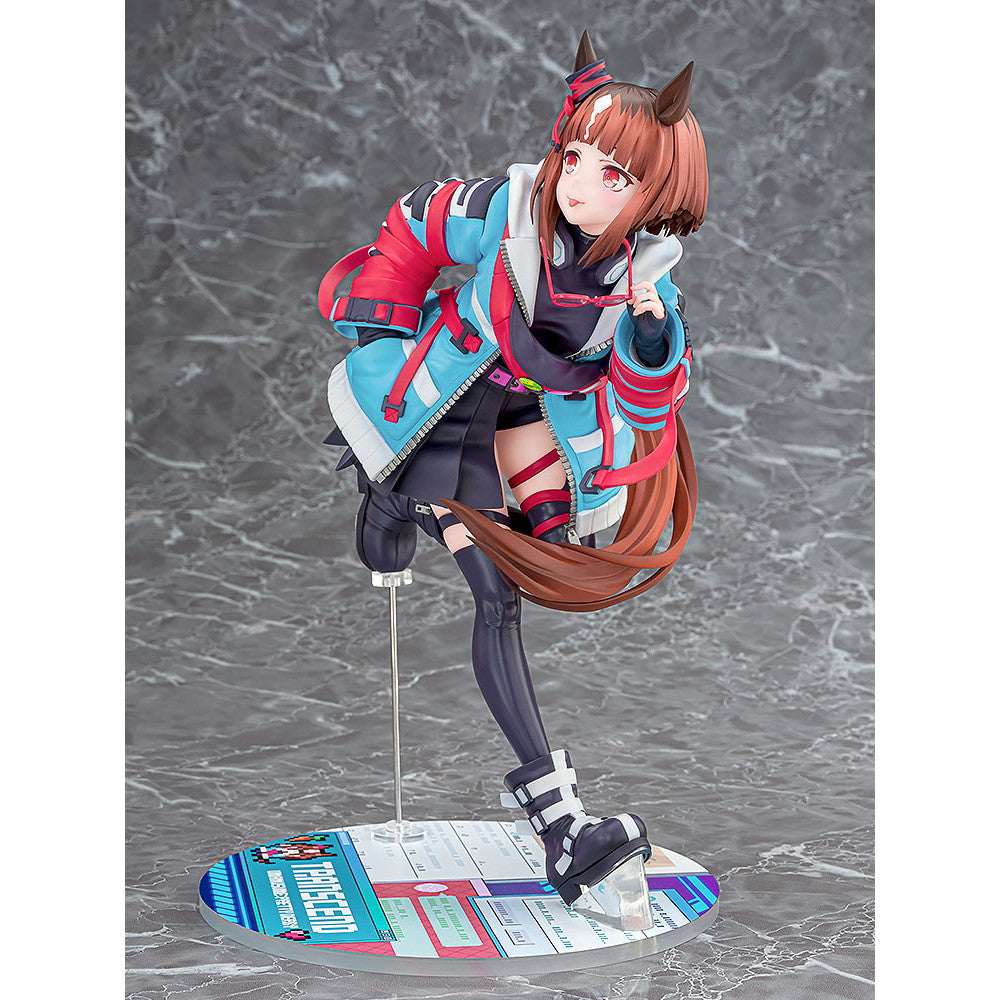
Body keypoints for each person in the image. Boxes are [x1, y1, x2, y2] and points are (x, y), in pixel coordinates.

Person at [318, 30, 709, 915]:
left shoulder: (647, 286)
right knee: (471, 572)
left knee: (508, 584)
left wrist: (651, 335)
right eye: (576, 157)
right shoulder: (509, 208)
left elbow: (648, 399)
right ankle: (563, 827)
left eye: (614, 175)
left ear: (655, 193)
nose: (579, 184)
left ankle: (560, 827)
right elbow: (416, 222)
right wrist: (381, 328)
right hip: (445, 399)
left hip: (530, 436)